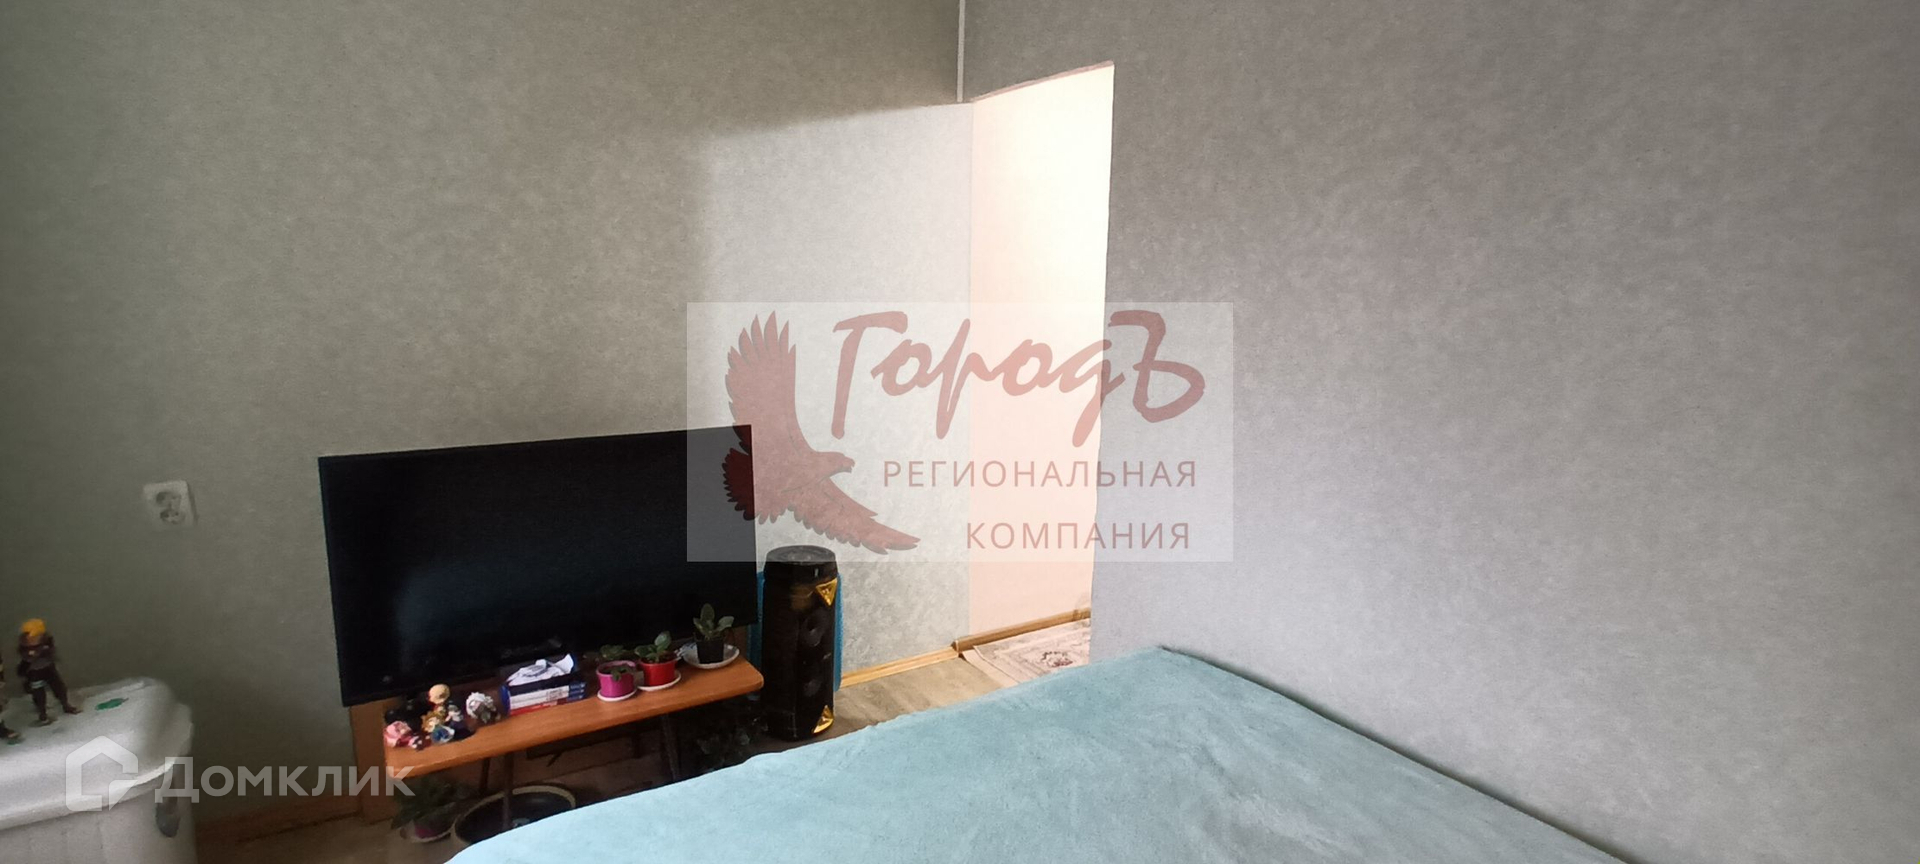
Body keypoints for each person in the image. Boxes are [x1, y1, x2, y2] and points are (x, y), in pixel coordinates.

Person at [18, 619, 81, 726]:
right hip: (34, 672)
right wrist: (31, 656)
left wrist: (43, 651)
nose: (31, 639)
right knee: (39, 694)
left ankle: (65, 705)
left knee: (59, 687)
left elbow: (51, 652)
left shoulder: (47, 640)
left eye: (35, 636)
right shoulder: (24, 646)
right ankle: (42, 714)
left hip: (48, 668)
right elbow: (25, 659)